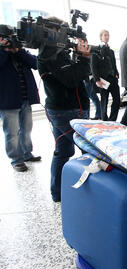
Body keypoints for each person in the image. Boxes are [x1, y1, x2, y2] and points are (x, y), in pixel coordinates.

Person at [38, 16, 91, 202]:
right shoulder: (49, 55)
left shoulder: (57, 53)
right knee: (89, 149)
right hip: (67, 111)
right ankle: (93, 194)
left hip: (65, 109)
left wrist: (80, 58)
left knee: (63, 150)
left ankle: (57, 192)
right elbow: (71, 79)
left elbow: (76, 75)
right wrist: (84, 58)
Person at [0, 35, 41, 172]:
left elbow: (35, 64)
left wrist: (18, 50)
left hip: (25, 98)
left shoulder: (19, 51)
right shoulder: (2, 53)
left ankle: (26, 154)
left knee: (26, 129)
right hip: (7, 100)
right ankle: (16, 160)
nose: (6, 40)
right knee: (11, 133)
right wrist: (4, 50)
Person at [91, 29, 120, 121]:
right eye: (105, 35)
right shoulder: (96, 50)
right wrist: (97, 80)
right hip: (103, 79)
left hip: (112, 78)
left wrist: (116, 73)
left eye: (108, 35)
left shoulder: (111, 51)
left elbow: (113, 63)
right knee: (104, 100)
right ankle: (104, 119)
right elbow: (93, 66)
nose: (107, 37)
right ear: (101, 37)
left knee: (117, 99)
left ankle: (112, 119)